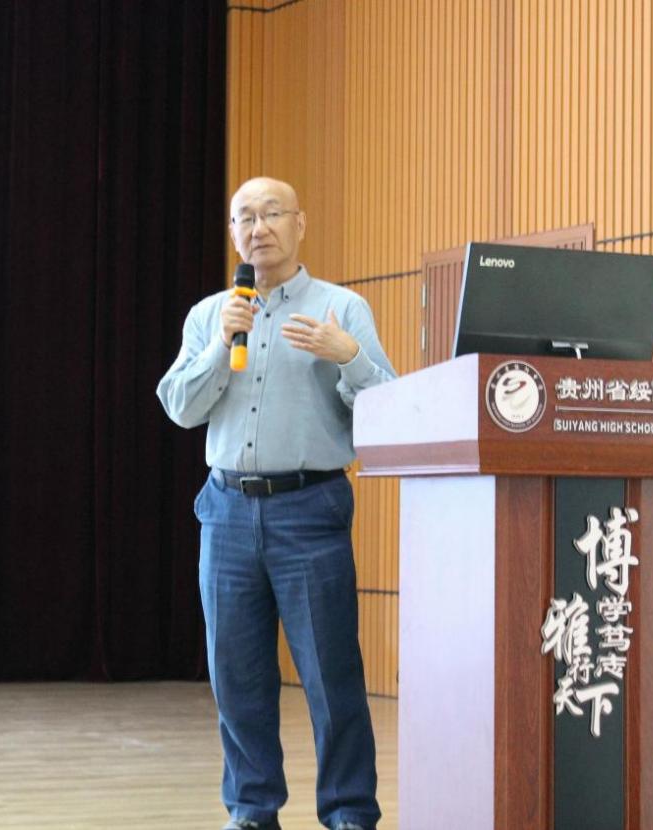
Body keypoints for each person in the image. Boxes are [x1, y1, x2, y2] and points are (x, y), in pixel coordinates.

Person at [157, 177, 395, 830]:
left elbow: (388, 406)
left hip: (309, 508)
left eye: (271, 214)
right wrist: (218, 347)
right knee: (236, 677)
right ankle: (251, 809)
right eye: (244, 217)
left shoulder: (341, 308)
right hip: (227, 510)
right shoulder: (211, 314)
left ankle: (349, 812)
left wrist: (349, 358)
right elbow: (180, 407)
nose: (258, 227)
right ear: (234, 233)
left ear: (300, 224)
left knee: (330, 675)